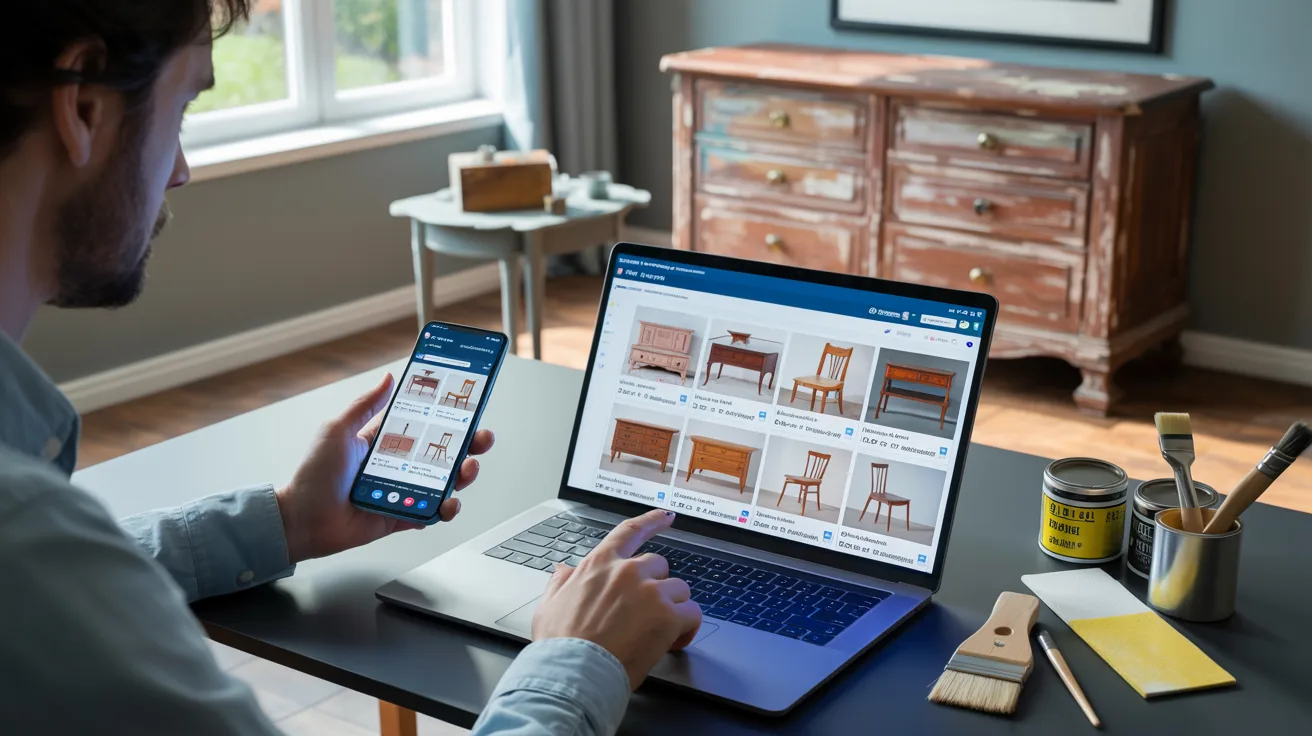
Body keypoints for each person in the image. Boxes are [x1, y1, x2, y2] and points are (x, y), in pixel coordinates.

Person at [0, 2, 701, 733]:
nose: (180, 170)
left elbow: (78, 577)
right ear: (81, 106)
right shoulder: (29, 544)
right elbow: (49, 575)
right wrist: (578, 659)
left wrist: (288, 523)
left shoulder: (41, 553)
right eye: (181, 110)